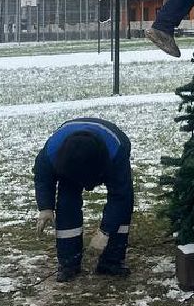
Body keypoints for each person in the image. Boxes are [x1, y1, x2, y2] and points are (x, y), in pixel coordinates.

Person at [33, 117, 134, 281]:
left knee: (124, 204)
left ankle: (111, 260)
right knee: (67, 202)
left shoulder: (117, 152)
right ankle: (69, 262)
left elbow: (120, 197)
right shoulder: (51, 152)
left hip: (107, 151)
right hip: (71, 157)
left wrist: (106, 231)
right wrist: (45, 207)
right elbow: (42, 177)